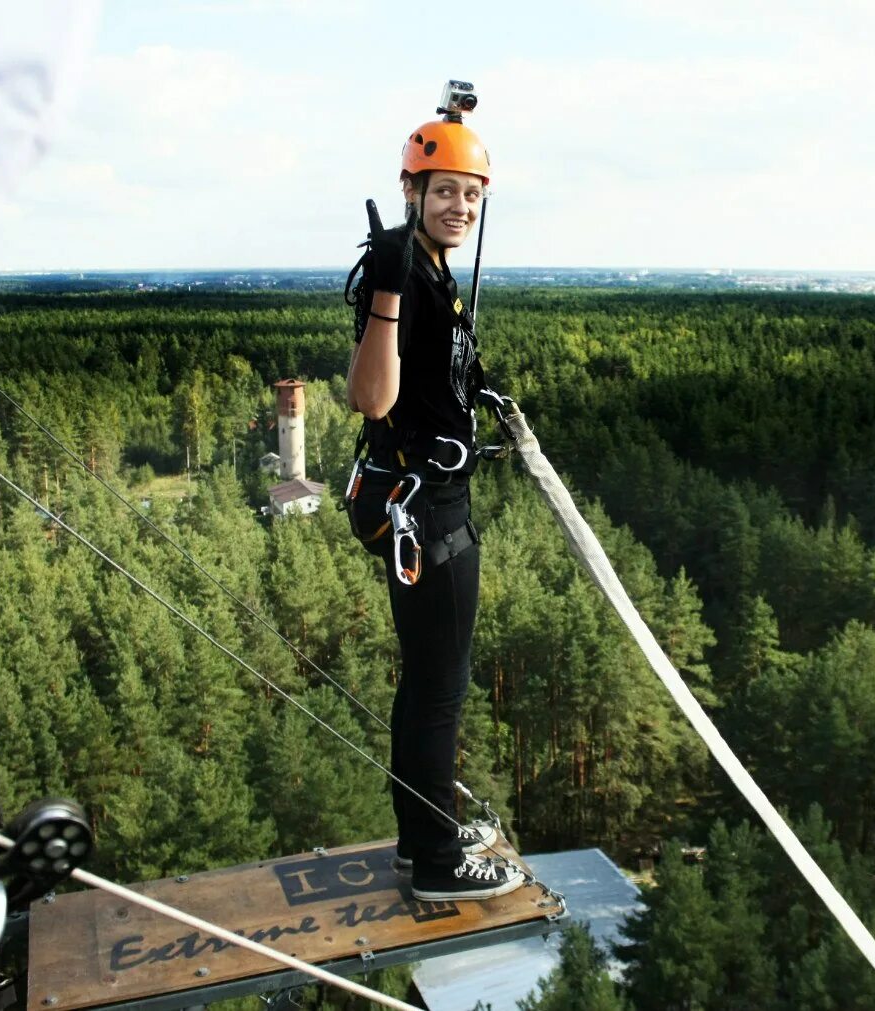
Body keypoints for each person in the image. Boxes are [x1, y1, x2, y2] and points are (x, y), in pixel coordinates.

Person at [345, 113, 524, 902]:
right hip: (427, 515)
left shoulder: (434, 269)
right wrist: (387, 291)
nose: (460, 207)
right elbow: (371, 395)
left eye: (471, 195)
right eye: (444, 191)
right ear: (411, 191)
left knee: (425, 684)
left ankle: (424, 842)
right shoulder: (400, 274)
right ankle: (439, 861)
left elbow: (426, 377)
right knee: (439, 689)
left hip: (426, 500)